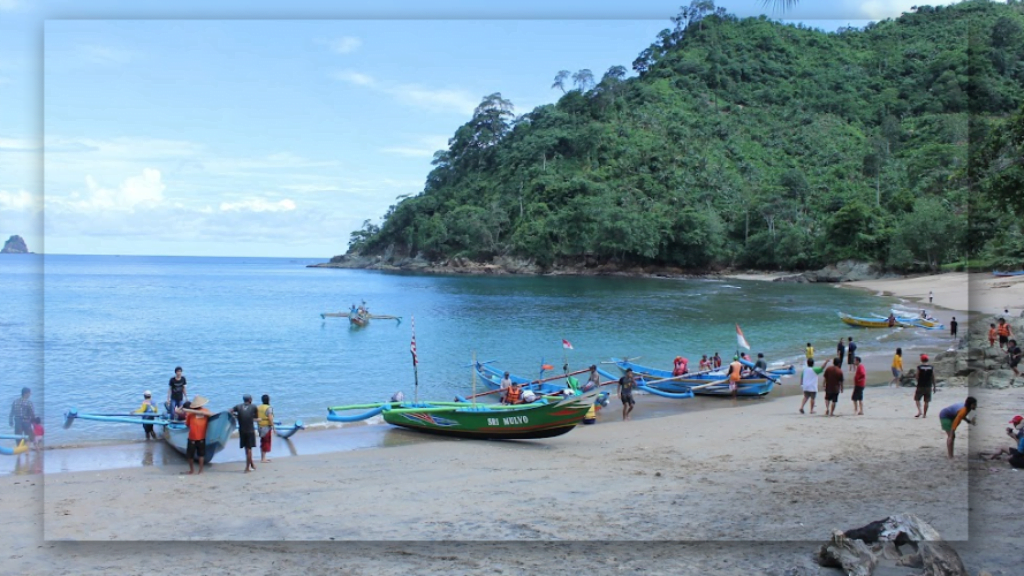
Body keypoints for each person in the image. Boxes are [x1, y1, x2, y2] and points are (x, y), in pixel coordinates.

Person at [176, 396, 211, 475]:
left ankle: (192, 470)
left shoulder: (190, 413)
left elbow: (187, 424)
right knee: (201, 454)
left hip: (192, 437)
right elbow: (210, 420)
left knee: (190, 455)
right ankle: (201, 471)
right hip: (202, 437)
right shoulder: (206, 412)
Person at [232, 394, 259, 473]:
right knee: (249, 449)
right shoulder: (253, 407)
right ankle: (247, 468)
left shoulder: (238, 406)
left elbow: (230, 411)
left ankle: (252, 464)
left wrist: (236, 416)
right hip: (250, 430)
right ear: (250, 399)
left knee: (246, 449)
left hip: (242, 430)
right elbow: (256, 417)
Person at [914, 354, 936, 418]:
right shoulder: (931, 367)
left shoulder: (919, 367)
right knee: (926, 401)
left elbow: (917, 376)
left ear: (921, 360)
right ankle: (924, 414)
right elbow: (933, 377)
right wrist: (934, 386)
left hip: (920, 385)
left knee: (917, 399)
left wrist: (918, 381)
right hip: (928, 386)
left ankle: (920, 411)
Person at [256, 394, 274, 463]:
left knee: (263, 441)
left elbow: (256, 417)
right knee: (266, 442)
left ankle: (263, 457)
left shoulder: (259, 407)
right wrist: (273, 426)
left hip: (260, 427)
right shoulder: (268, 408)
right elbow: (270, 418)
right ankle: (263, 459)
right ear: (268, 400)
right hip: (266, 427)